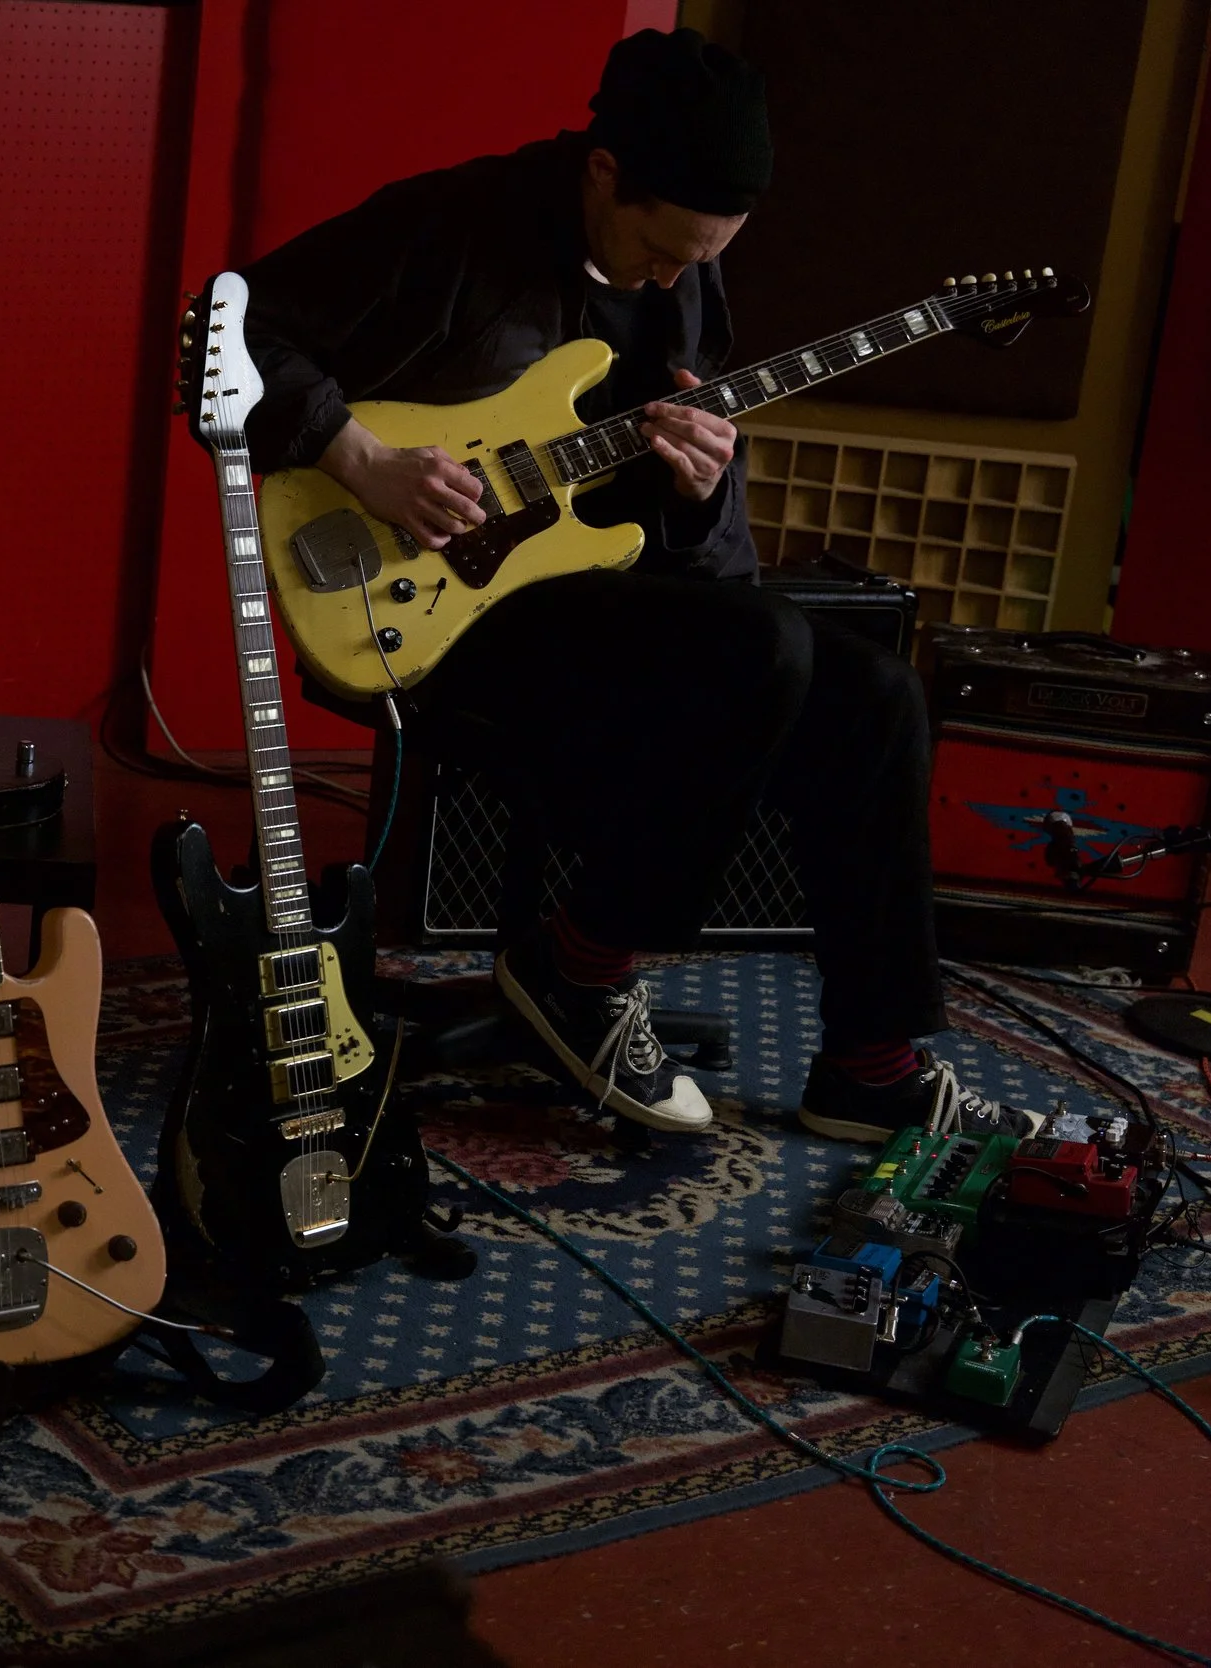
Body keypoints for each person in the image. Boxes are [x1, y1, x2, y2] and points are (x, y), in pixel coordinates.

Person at [240, 27, 1043, 1145]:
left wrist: (702, 484)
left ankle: (871, 1062)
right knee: (760, 648)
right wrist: (362, 460)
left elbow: (701, 555)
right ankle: (578, 967)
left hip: (595, 598)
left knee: (875, 696)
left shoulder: (687, 272)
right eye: (662, 250)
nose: (676, 276)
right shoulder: (450, 224)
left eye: (704, 255)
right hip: (433, 610)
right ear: (602, 170)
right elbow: (230, 331)